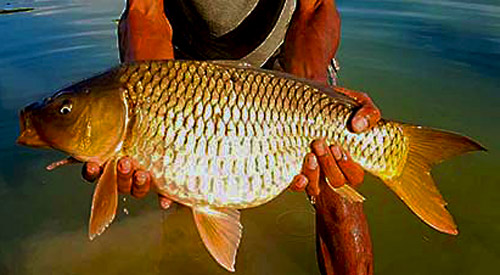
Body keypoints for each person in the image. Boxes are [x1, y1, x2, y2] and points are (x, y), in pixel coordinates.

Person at [81, 0, 380, 273]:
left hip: (290, 52)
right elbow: (145, 11)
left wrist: (310, 99)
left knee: (337, 188)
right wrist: (150, 117)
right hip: (183, 65)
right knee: (184, 190)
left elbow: (315, 8)